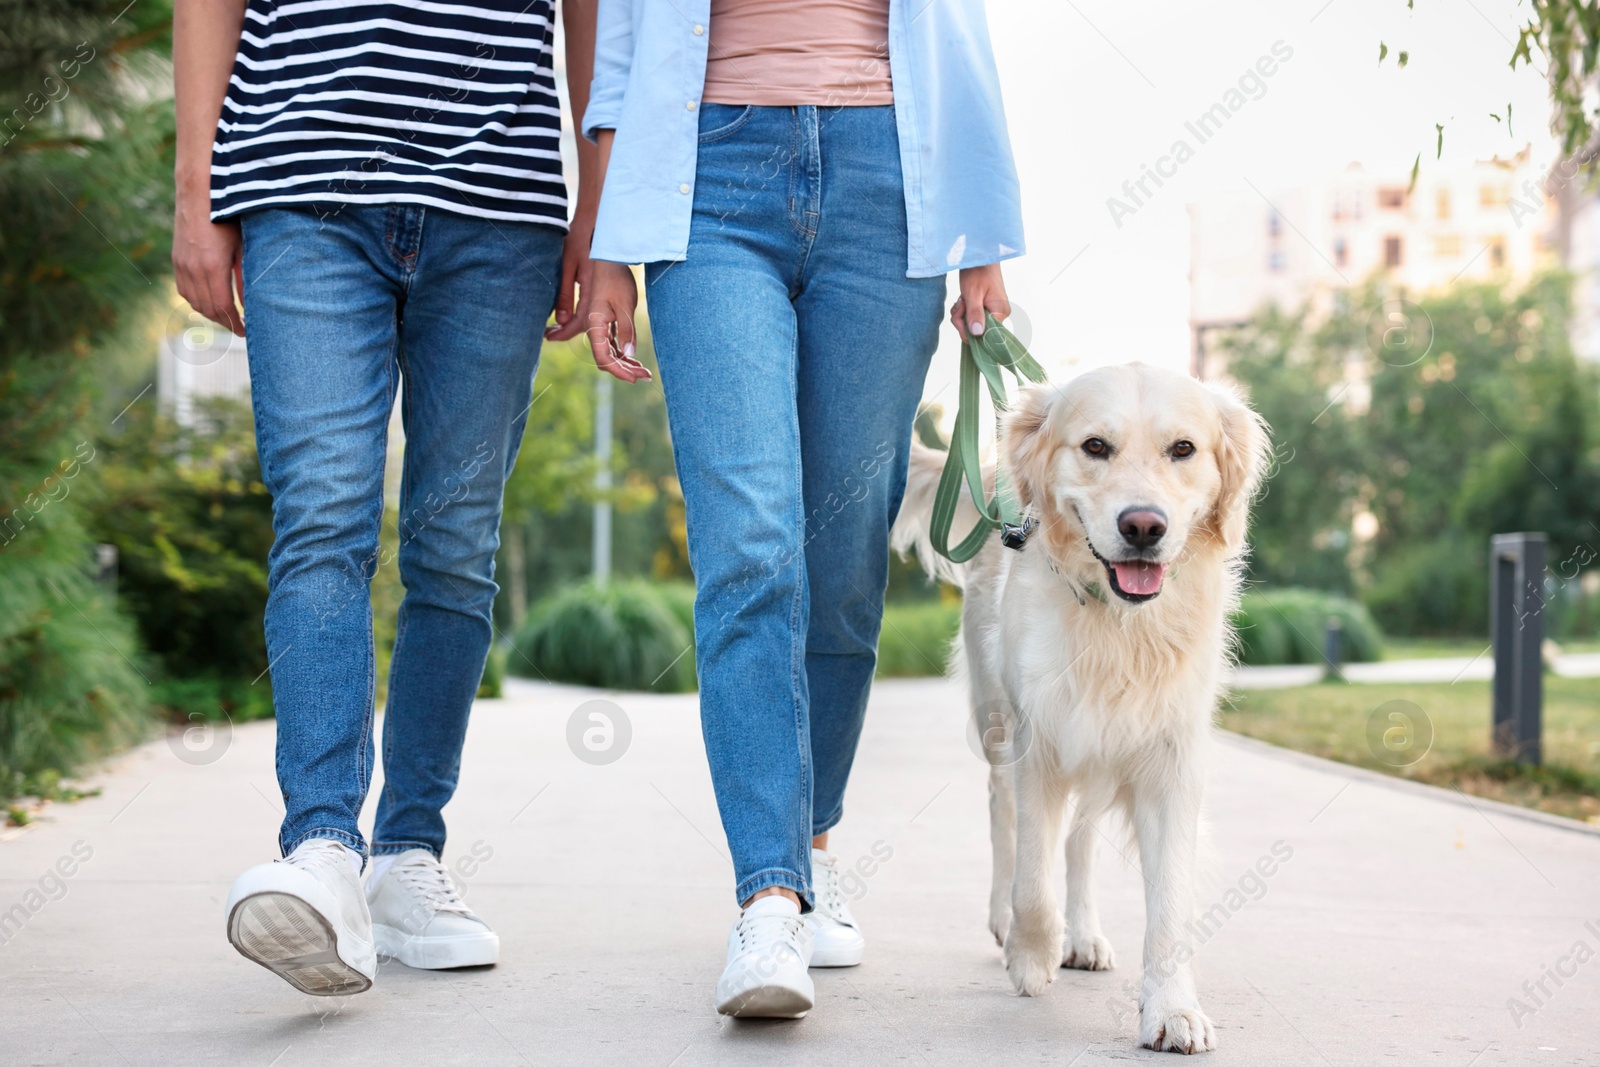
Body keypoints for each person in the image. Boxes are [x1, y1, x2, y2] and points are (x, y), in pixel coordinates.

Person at [580, 0, 1024, 1018]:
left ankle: (810, 841)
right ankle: (766, 900)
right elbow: (620, 57)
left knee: (842, 567)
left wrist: (982, 236)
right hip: (708, 176)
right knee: (750, 547)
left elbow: (959, 35)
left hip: (889, 180)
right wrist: (608, 242)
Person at [172, 0, 608, 994]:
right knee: (322, 514)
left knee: (456, 544)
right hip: (302, 172)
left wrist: (598, 203)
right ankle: (322, 848)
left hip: (496, 200)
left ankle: (409, 853)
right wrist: (196, 190)